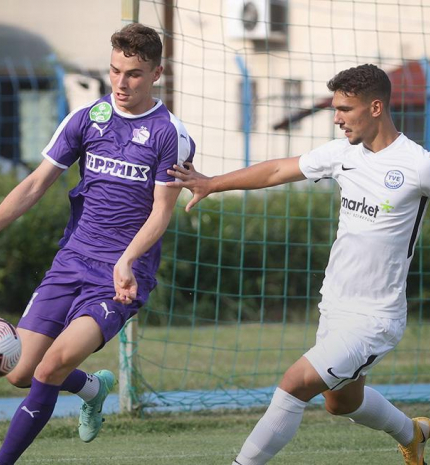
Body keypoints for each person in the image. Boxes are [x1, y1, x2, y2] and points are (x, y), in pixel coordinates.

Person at [167, 64, 430, 465]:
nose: (337, 118)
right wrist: (212, 183)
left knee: (294, 384)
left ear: (376, 107)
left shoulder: (417, 164)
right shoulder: (342, 153)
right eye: (336, 109)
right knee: (341, 404)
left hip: (376, 317)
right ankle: (413, 433)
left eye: (346, 109)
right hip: (335, 305)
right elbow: (277, 169)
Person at [0, 23, 195, 464]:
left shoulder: (170, 134)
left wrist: (126, 261)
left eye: (134, 74)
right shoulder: (87, 118)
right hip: (72, 260)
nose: (121, 83)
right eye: (114, 71)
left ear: (157, 73)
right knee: (18, 372)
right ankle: (91, 387)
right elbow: (34, 185)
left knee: (51, 366)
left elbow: (161, 212)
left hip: (121, 276)